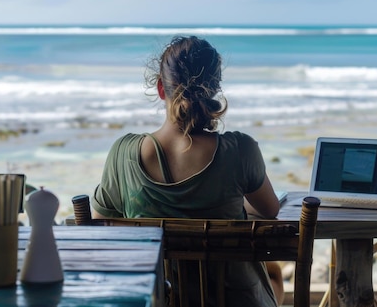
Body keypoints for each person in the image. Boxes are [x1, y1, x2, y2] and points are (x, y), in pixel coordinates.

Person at [91, 35, 283, 306]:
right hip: (232, 300)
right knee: (274, 273)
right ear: (215, 89)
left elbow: (101, 224)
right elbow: (270, 210)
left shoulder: (123, 154)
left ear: (160, 88)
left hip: (160, 298)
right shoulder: (240, 150)